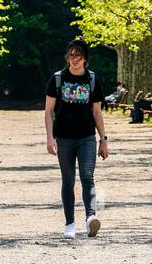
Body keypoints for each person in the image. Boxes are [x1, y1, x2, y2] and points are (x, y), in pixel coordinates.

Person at [45, 38, 109, 239]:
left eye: (78, 55)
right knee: (68, 181)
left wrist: (103, 139)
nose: (74, 59)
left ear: (85, 59)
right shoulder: (57, 79)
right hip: (63, 138)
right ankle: (70, 223)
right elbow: (48, 112)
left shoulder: (92, 80)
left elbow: (97, 113)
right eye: (71, 55)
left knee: (87, 177)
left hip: (86, 137)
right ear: (67, 57)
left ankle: (91, 218)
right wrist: (49, 138)